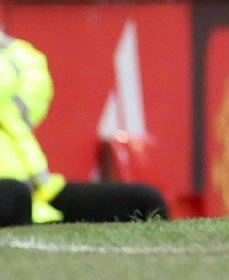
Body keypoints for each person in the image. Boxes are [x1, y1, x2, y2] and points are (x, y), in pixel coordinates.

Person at [0, 28, 168, 227]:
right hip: (14, 196)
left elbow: (33, 75)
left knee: (145, 201)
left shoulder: (14, 52)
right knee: (14, 197)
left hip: (40, 193)